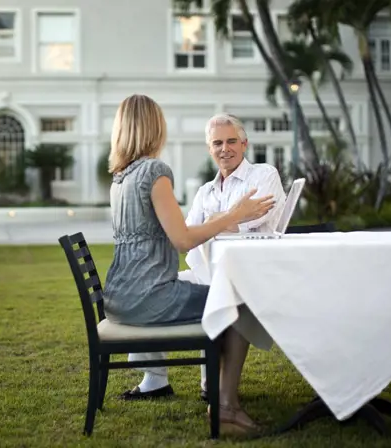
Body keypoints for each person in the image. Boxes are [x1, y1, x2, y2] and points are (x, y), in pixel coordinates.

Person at [102, 95, 276, 430]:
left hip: (118, 299)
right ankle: (225, 406)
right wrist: (233, 214)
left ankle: (205, 387)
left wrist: (223, 218)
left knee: (219, 293)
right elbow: (181, 239)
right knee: (238, 301)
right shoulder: (155, 171)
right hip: (149, 297)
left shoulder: (119, 178)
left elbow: (173, 233)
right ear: (156, 126)